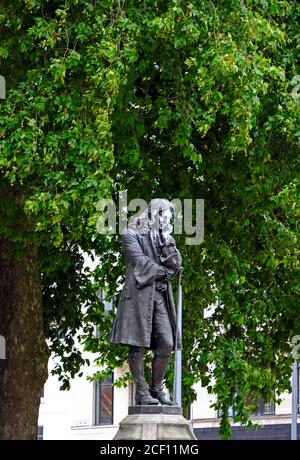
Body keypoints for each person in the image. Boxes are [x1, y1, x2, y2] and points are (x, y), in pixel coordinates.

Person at [110, 198, 182, 405]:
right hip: (138, 297)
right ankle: (141, 391)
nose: (167, 222)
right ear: (154, 214)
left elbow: (175, 265)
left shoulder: (163, 236)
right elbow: (140, 262)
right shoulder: (129, 233)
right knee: (137, 345)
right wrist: (162, 271)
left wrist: (167, 241)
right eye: (165, 217)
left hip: (160, 296)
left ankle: (156, 388)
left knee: (167, 342)